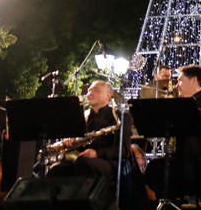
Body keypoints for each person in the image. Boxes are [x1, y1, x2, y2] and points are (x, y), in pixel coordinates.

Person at [144, 64, 201, 209]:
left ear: (193, 80)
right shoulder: (180, 102)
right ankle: (171, 205)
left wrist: (186, 109)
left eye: (180, 81)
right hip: (183, 159)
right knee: (156, 168)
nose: (177, 85)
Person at [46, 80, 143, 208]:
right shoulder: (83, 118)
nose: (90, 93)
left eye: (96, 90)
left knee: (84, 164)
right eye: (89, 90)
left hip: (109, 163)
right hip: (83, 159)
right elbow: (80, 145)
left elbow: (123, 150)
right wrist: (70, 141)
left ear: (108, 96)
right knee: (56, 169)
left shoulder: (121, 116)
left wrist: (97, 153)